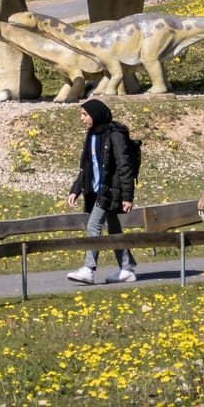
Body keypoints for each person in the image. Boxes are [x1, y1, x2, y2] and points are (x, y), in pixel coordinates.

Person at [65, 98, 139, 285]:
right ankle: (127, 269)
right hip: (96, 191)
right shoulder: (92, 135)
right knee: (114, 229)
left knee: (93, 226)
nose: (82, 118)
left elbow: (125, 166)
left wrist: (127, 196)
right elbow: (86, 167)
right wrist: (76, 190)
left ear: (96, 115)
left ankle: (88, 270)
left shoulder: (115, 135)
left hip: (110, 191)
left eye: (85, 114)